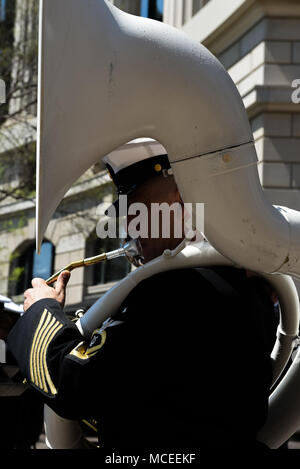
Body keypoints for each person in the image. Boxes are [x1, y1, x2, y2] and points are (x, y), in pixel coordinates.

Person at [6, 140, 278, 450]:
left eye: (138, 206)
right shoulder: (238, 283)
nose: (130, 225)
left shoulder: (174, 289)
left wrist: (41, 311)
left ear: (183, 198)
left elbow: (74, 385)